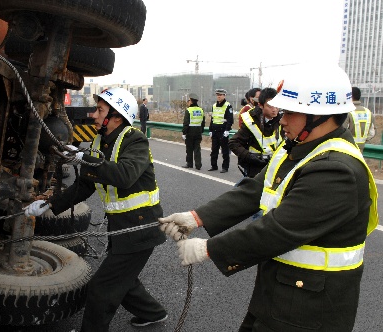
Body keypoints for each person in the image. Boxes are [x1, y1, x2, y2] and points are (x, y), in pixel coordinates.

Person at [159, 63, 378, 332]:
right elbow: (253, 190)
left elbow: (279, 229)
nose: (282, 120)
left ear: (321, 116)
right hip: (279, 292)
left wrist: (208, 249)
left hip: (311, 309)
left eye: (292, 112)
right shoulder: (299, 149)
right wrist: (195, 218)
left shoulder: (336, 168)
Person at [25, 87, 168, 331]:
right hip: (123, 227)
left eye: (100, 110)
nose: (93, 115)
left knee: (101, 289)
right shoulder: (101, 141)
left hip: (140, 228)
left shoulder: (134, 139)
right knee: (123, 280)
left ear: (117, 117)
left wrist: (83, 158)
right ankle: (153, 313)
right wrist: (48, 205)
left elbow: (124, 176)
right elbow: (85, 185)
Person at [229, 87, 284, 178]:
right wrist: (249, 157)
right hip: (256, 169)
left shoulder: (284, 120)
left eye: (276, 105)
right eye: (270, 106)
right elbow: (233, 143)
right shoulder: (251, 120)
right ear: (261, 105)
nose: (274, 109)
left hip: (277, 168)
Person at [208, 89, 233, 173]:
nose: (219, 96)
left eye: (221, 95)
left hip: (223, 131)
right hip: (215, 130)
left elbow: (230, 119)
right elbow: (212, 118)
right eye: (217, 95)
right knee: (214, 150)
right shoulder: (214, 105)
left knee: (225, 150)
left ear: (224, 95)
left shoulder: (228, 105)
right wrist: (210, 129)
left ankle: (225, 167)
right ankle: (213, 166)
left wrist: (227, 130)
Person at [344, 86, 375, 151]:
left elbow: (341, 131)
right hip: (361, 149)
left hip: (346, 149)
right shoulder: (368, 113)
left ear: (351, 96)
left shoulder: (347, 112)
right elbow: (372, 133)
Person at [181, 93, 205, 170]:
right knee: (197, 148)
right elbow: (203, 122)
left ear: (191, 101)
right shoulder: (201, 110)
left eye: (189, 100)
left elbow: (186, 123)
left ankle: (189, 164)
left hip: (190, 131)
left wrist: (184, 133)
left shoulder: (189, 110)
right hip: (198, 131)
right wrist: (201, 130)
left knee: (189, 148)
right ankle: (198, 165)